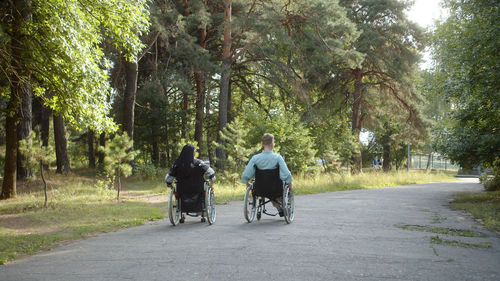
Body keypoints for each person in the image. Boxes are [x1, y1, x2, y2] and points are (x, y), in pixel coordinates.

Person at [241, 133, 292, 216]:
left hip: (260, 188)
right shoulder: (278, 157)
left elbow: (246, 174)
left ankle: (279, 208)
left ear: (262, 144)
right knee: (276, 191)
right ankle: (281, 207)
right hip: (276, 188)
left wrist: (246, 183)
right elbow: (286, 174)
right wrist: (290, 184)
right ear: (272, 144)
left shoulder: (255, 158)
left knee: (267, 190)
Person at [165, 144, 215, 221]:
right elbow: (211, 173)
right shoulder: (199, 163)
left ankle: (181, 213)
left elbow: (168, 178)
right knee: (203, 187)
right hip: (198, 188)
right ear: (192, 153)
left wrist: (170, 185)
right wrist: (211, 183)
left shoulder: (177, 164)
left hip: (182, 190)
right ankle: (201, 211)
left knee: (179, 191)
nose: (195, 152)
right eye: (194, 151)